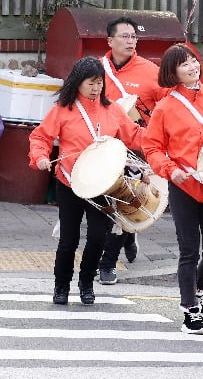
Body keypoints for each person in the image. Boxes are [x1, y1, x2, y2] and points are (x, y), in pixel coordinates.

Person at [142, 43, 203, 335]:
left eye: (193, 61)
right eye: (184, 64)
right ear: (171, 72)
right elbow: (152, 146)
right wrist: (171, 170)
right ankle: (190, 309)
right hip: (184, 186)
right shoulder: (165, 107)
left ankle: (198, 287)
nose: (192, 67)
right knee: (188, 249)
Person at [28, 56, 145, 306]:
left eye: (99, 83)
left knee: (97, 238)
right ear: (78, 83)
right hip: (70, 182)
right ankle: (61, 285)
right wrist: (39, 157)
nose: (96, 88)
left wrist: (158, 140)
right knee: (68, 239)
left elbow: (134, 136)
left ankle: (86, 283)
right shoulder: (62, 109)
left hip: (103, 185)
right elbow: (40, 137)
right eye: (90, 83)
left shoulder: (113, 109)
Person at [97, 16, 169, 285]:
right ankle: (128, 235)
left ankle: (107, 264)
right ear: (110, 40)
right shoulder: (97, 69)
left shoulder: (151, 71)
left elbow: (167, 106)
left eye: (133, 37)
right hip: (104, 146)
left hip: (137, 149)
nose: (130, 41)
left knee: (123, 203)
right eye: (124, 36)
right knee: (107, 205)